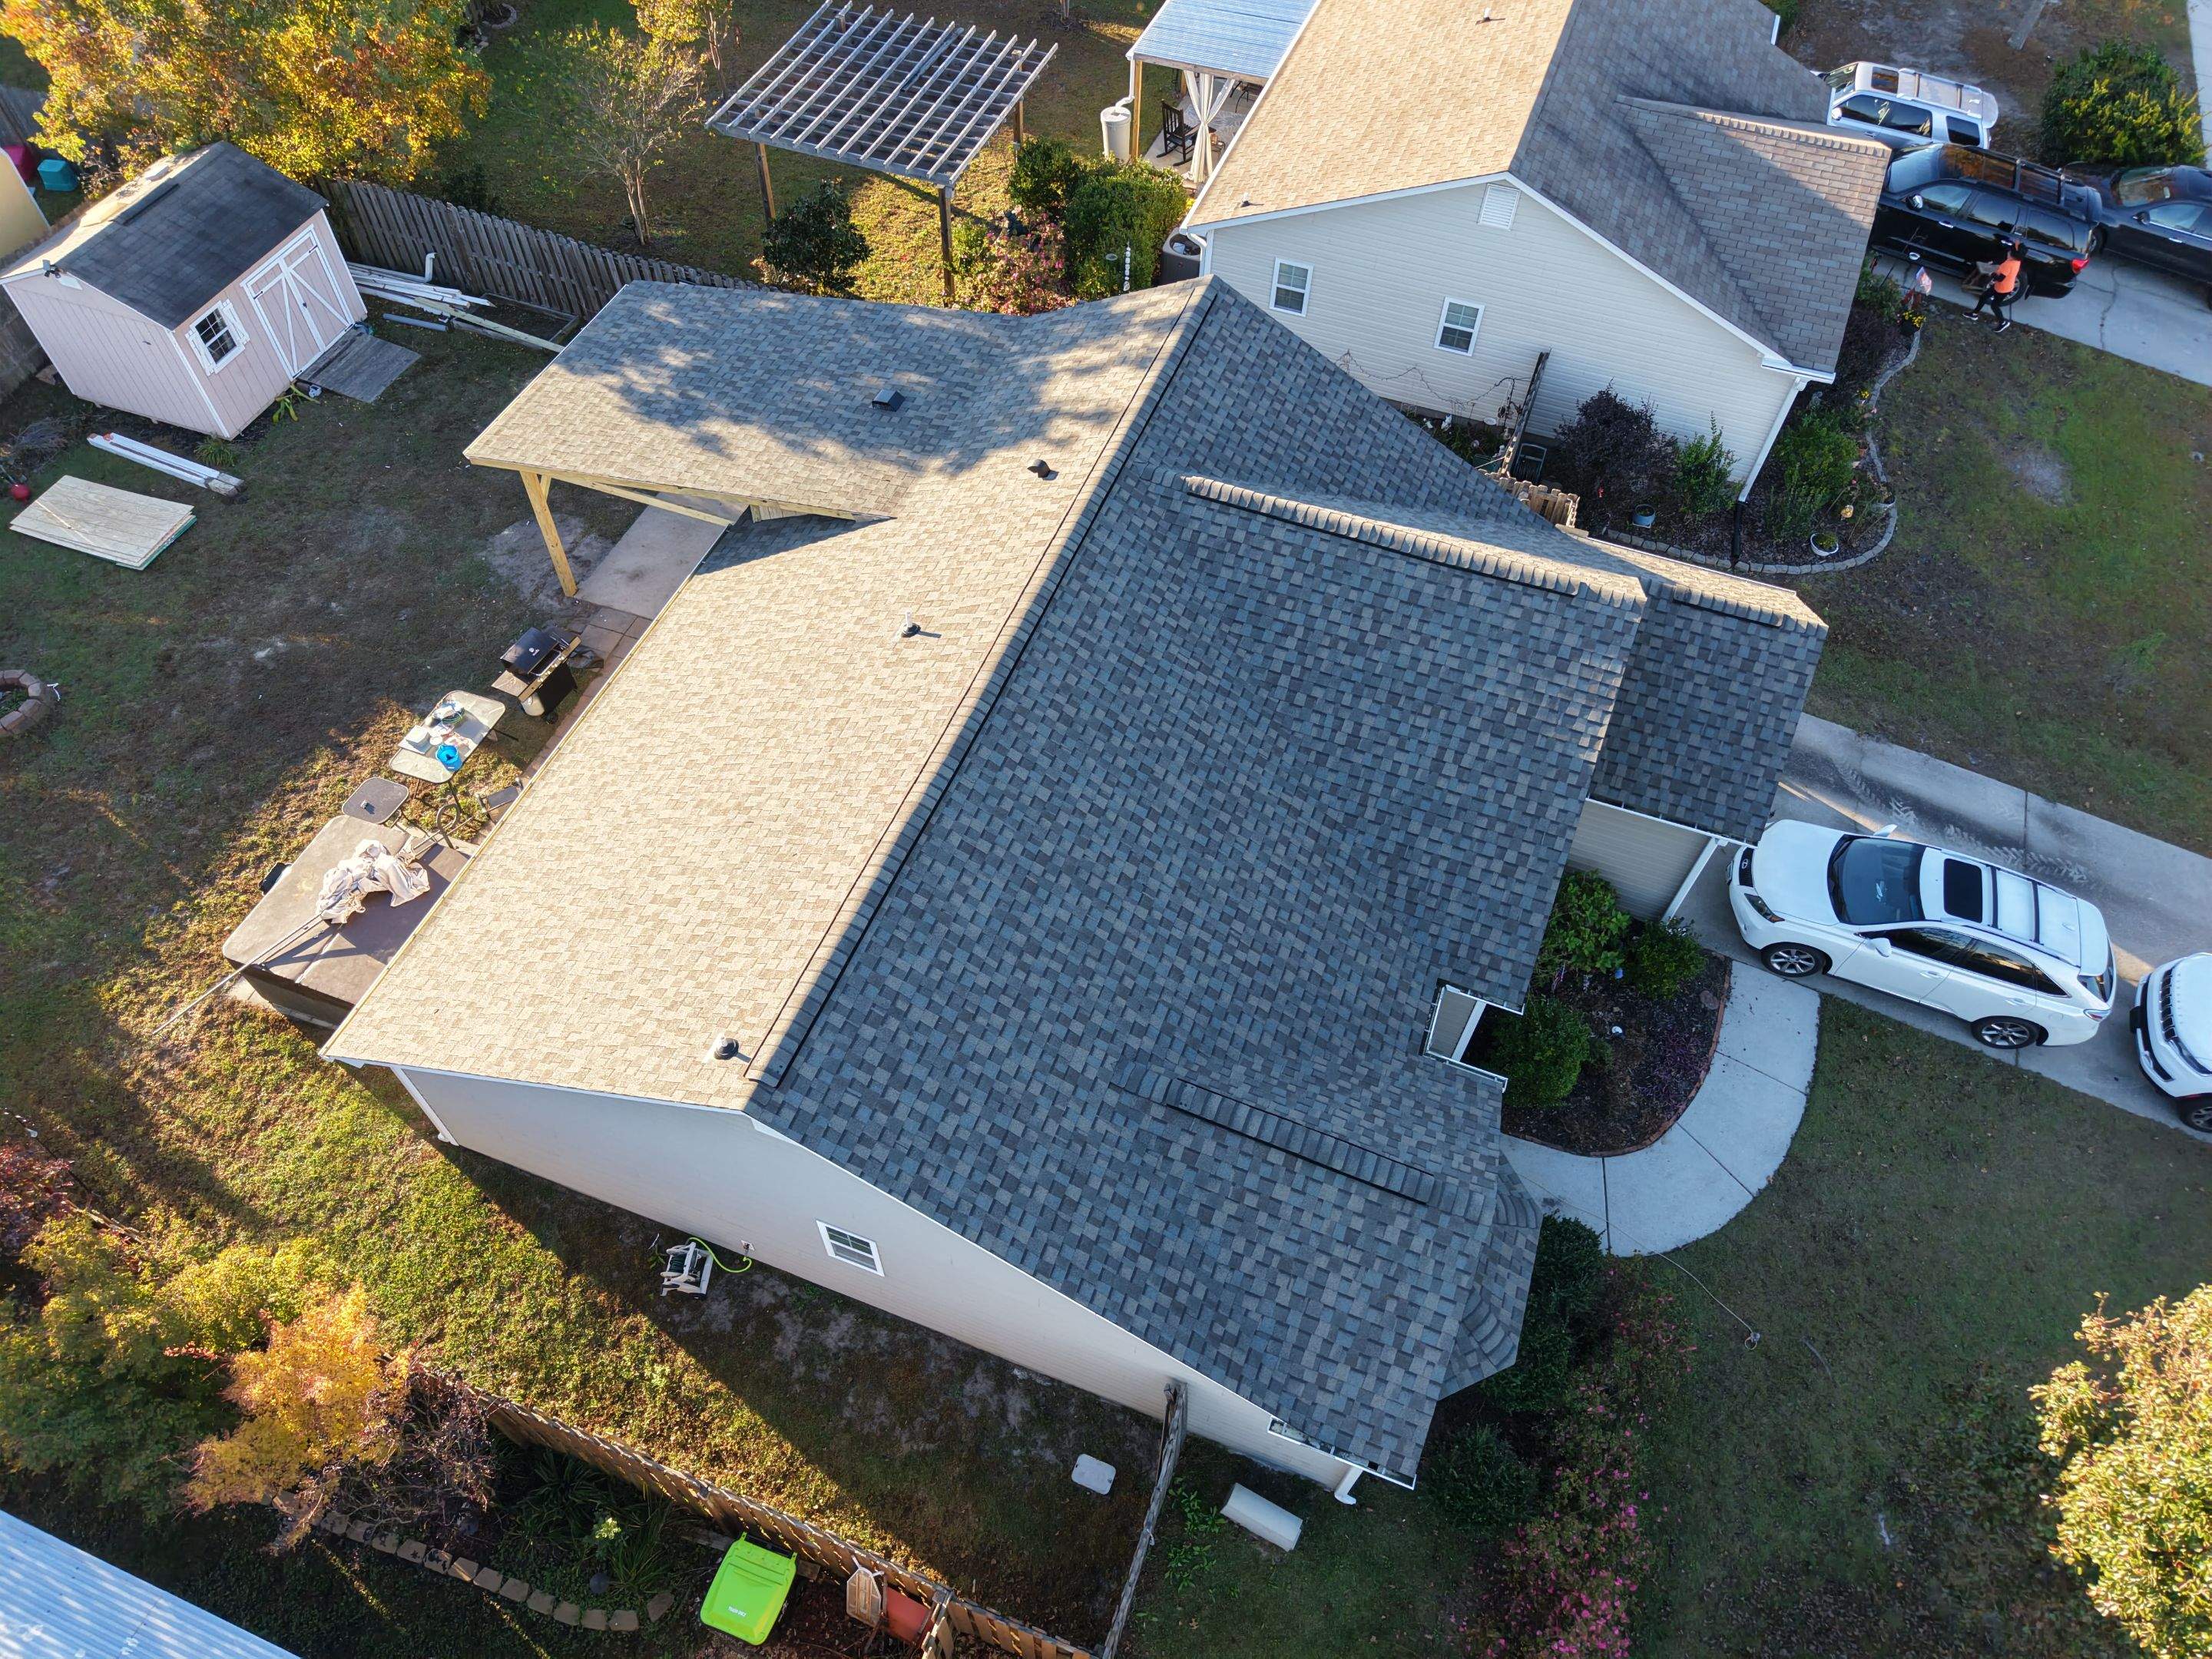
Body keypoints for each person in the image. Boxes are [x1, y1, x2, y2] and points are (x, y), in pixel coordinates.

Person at [1972, 239, 2023, 331]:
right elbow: (2003, 265)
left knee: (1994, 306)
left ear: (2012, 255)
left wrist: (1991, 272)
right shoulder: (2016, 262)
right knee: (1984, 297)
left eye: (2009, 251)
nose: (2008, 252)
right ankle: (1974, 314)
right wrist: (1994, 263)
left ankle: (2003, 323)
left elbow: (2000, 278)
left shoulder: (2008, 265)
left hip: (2003, 289)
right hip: (2002, 287)